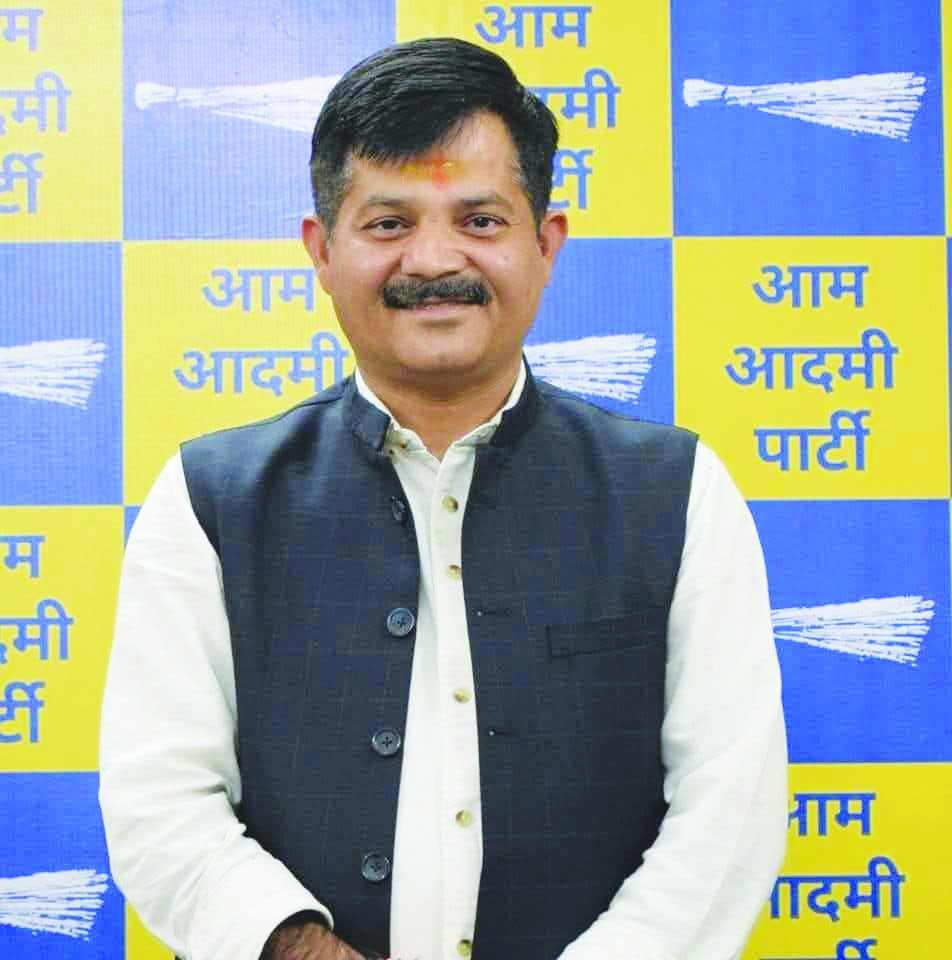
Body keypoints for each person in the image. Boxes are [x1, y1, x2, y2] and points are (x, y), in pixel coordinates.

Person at [99, 37, 787, 960]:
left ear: (546, 244)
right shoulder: (210, 501)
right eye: (388, 223)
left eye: (481, 220)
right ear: (322, 251)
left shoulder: (677, 492)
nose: (433, 259)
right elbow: (159, 803)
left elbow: (729, 808)